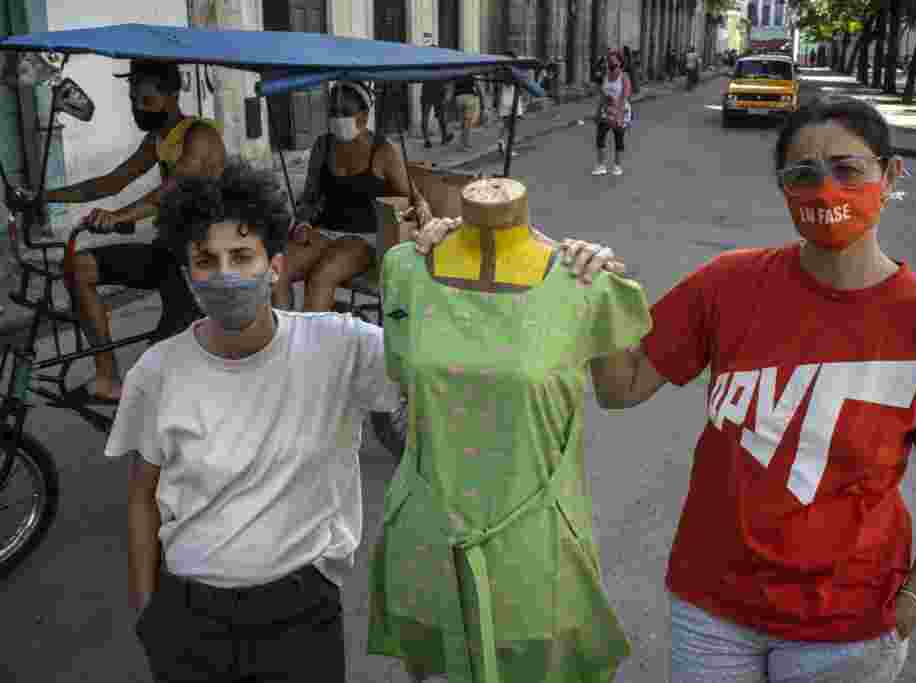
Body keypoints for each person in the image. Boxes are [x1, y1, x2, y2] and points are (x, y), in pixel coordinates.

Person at [106, 160, 623, 683]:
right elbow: (140, 497)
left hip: (299, 616)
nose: (224, 275)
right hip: (188, 616)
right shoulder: (159, 370)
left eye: (242, 256)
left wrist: (549, 260)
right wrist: (150, 615)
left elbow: (472, 360)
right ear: (185, 272)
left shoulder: (337, 346)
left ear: (276, 266)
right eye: (205, 260)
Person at [578, 95, 916, 682]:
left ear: (890, 176)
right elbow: (621, 389)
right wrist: (596, 298)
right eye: (803, 174)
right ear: (784, 188)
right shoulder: (725, 286)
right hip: (713, 612)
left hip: (848, 627)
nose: (825, 190)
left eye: (847, 169)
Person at [368, 178, 652, 683]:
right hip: (428, 537)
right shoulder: (404, 269)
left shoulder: (584, 281)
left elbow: (619, 391)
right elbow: (403, 380)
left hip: (538, 547)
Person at [43, 59, 226, 402]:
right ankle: (107, 377)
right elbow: (112, 181)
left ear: (171, 94)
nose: (138, 109)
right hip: (169, 250)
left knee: (160, 373)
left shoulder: (200, 136)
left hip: (203, 260)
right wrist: (46, 195)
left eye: (145, 101)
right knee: (78, 267)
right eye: (133, 101)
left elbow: (171, 190)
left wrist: (121, 215)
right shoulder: (158, 139)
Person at [271, 81, 433, 312]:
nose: (338, 119)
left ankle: (312, 345)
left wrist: (423, 211)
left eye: (345, 113)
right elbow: (310, 197)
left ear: (364, 116)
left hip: (365, 238)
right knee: (278, 271)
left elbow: (414, 197)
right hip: (324, 231)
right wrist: (302, 222)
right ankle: (284, 337)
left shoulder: (384, 151)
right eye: (334, 113)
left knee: (321, 276)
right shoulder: (323, 145)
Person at [592, 49, 633, 177]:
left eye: (614, 65)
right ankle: (601, 165)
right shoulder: (606, 76)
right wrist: (598, 112)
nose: (611, 67)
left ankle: (617, 166)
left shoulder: (624, 77)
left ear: (620, 63)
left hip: (620, 110)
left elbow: (624, 97)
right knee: (600, 137)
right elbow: (602, 96)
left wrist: (618, 115)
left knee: (618, 138)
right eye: (609, 64)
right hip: (606, 111)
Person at [496, 51, 527, 158]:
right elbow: (521, 83)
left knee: (505, 124)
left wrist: (497, 103)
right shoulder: (514, 70)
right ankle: (509, 149)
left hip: (504, 100)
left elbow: (499, 89)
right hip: (513, 99)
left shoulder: (501, 70)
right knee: (513, 128)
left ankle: (500, 140)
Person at [420, 78, 454, 148]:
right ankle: (444, 138)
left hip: (427, 91)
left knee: (426, 116)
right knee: (440, 116)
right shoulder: (440, 69)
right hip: (437, 92)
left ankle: (427, 140)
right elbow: (448, 82)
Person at [452, 74, 482, 151]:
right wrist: (481, 98)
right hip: (469, 98)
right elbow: (477, 86)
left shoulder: (457, 73)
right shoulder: (470, 72)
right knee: (467, 123)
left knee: (462, 122)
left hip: (458, 98)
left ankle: (461, 144)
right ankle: (465, 144)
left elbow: (452, 86)